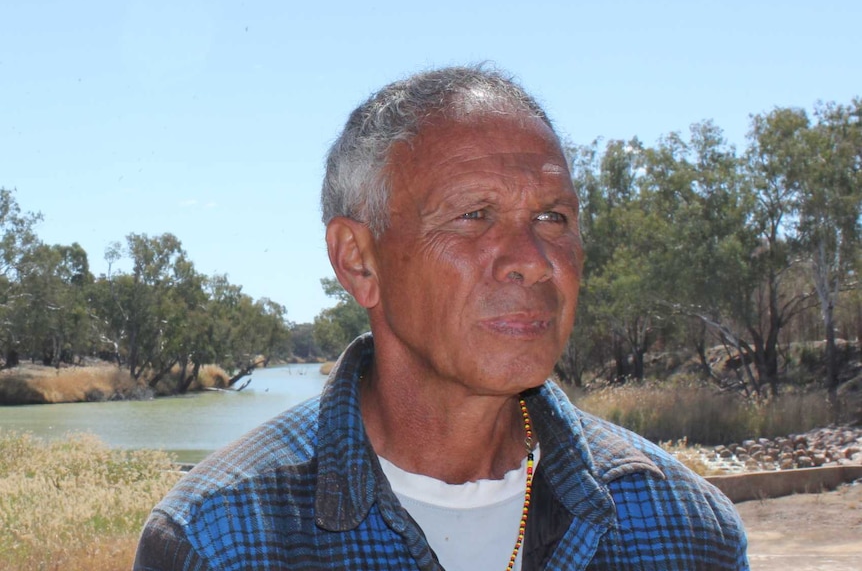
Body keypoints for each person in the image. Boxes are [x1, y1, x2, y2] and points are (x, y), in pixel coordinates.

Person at [134, 66, 749, 571]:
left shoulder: (687, 529)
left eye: (554, 217)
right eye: (474, 215)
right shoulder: (221, 539)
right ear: (359, 261)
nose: (533, 262)